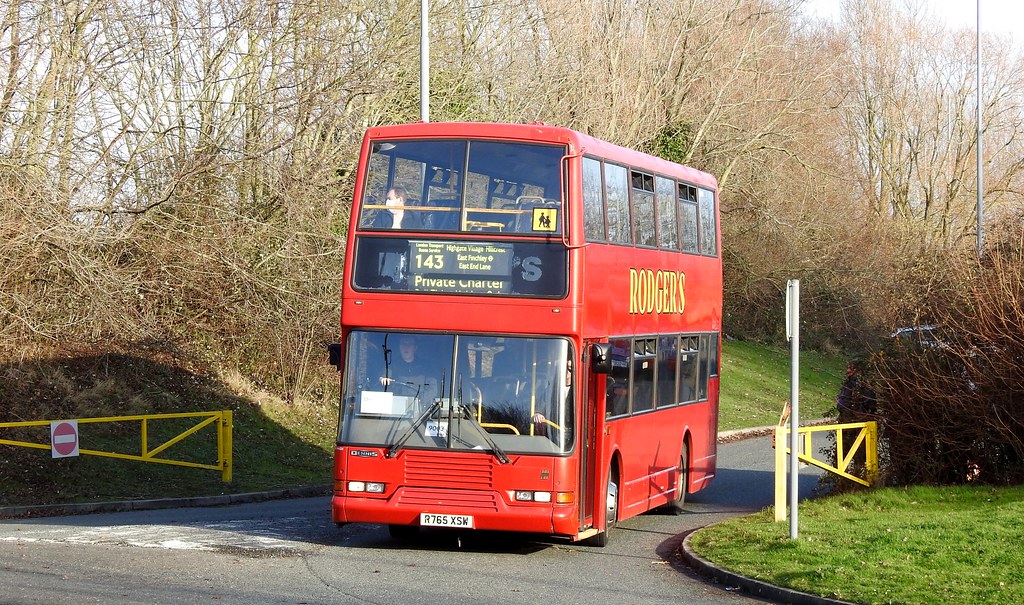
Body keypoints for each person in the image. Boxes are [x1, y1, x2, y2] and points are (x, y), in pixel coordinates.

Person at [379, 335, 434, 400]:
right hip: (397, 404)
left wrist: (421, 400)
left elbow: (432, 388)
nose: (406, 347)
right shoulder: (391, 364)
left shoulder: (425, 366)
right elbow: (384, 377)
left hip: (421, 407)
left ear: (415, 348)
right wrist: (383, 379)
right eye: (403, 344)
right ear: (399, 347)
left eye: (409, 344)